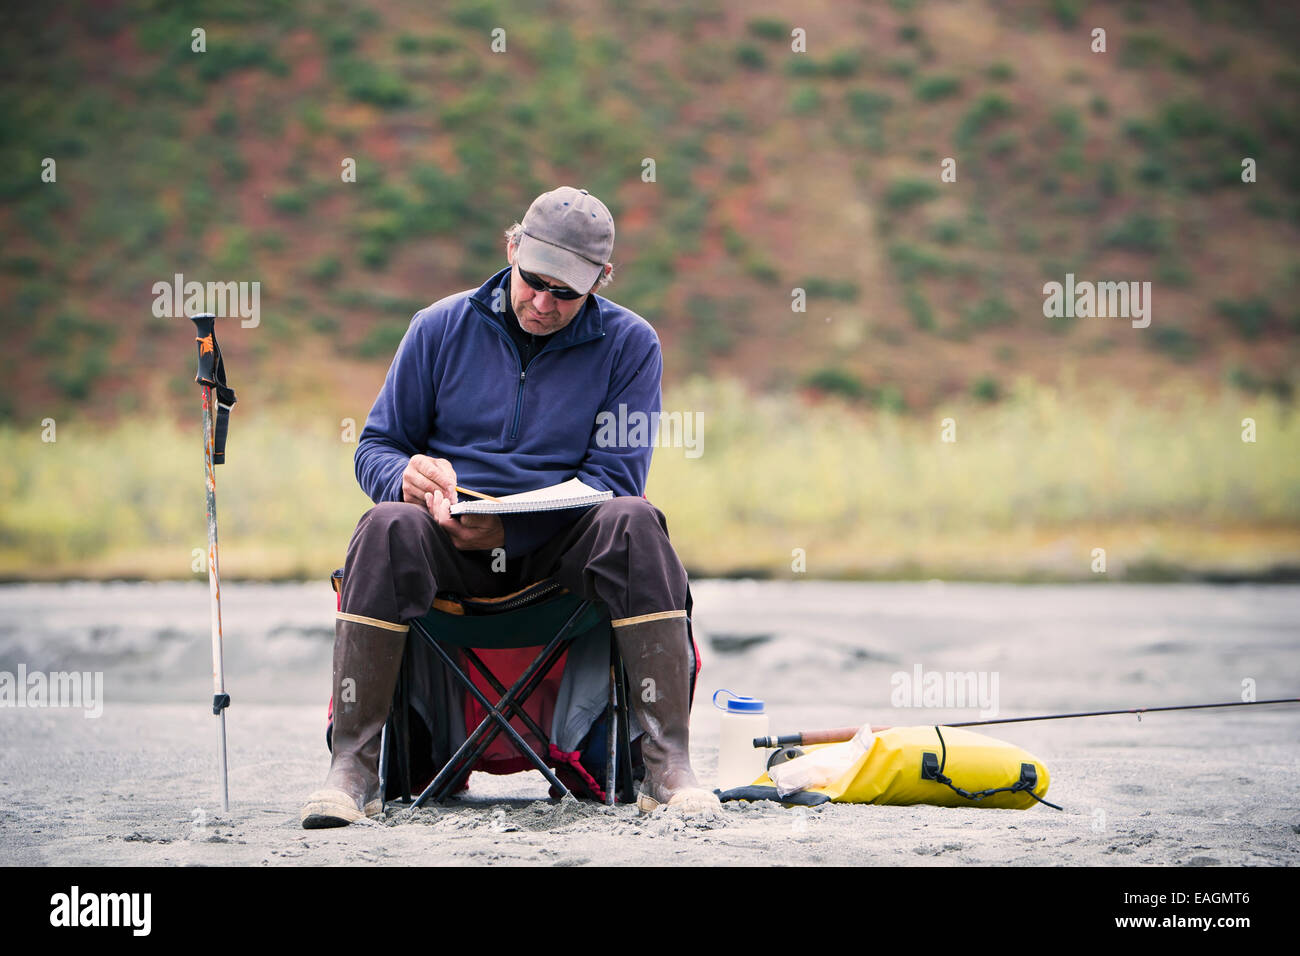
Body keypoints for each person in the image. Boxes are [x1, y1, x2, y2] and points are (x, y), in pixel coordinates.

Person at [300, 185, 720, 828]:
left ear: (601, 281)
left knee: (636, 521)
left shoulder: (633, 344)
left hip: (561, 560)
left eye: (566, 293)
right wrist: (404, 478)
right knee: (386, 524)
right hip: (448, 546)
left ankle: (666, 763)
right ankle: (352, 768)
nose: (543, 303)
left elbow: (616, 477)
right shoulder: (437, 327)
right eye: (534, 281)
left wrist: (512, 532)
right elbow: (376, 448)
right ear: (512, 247)